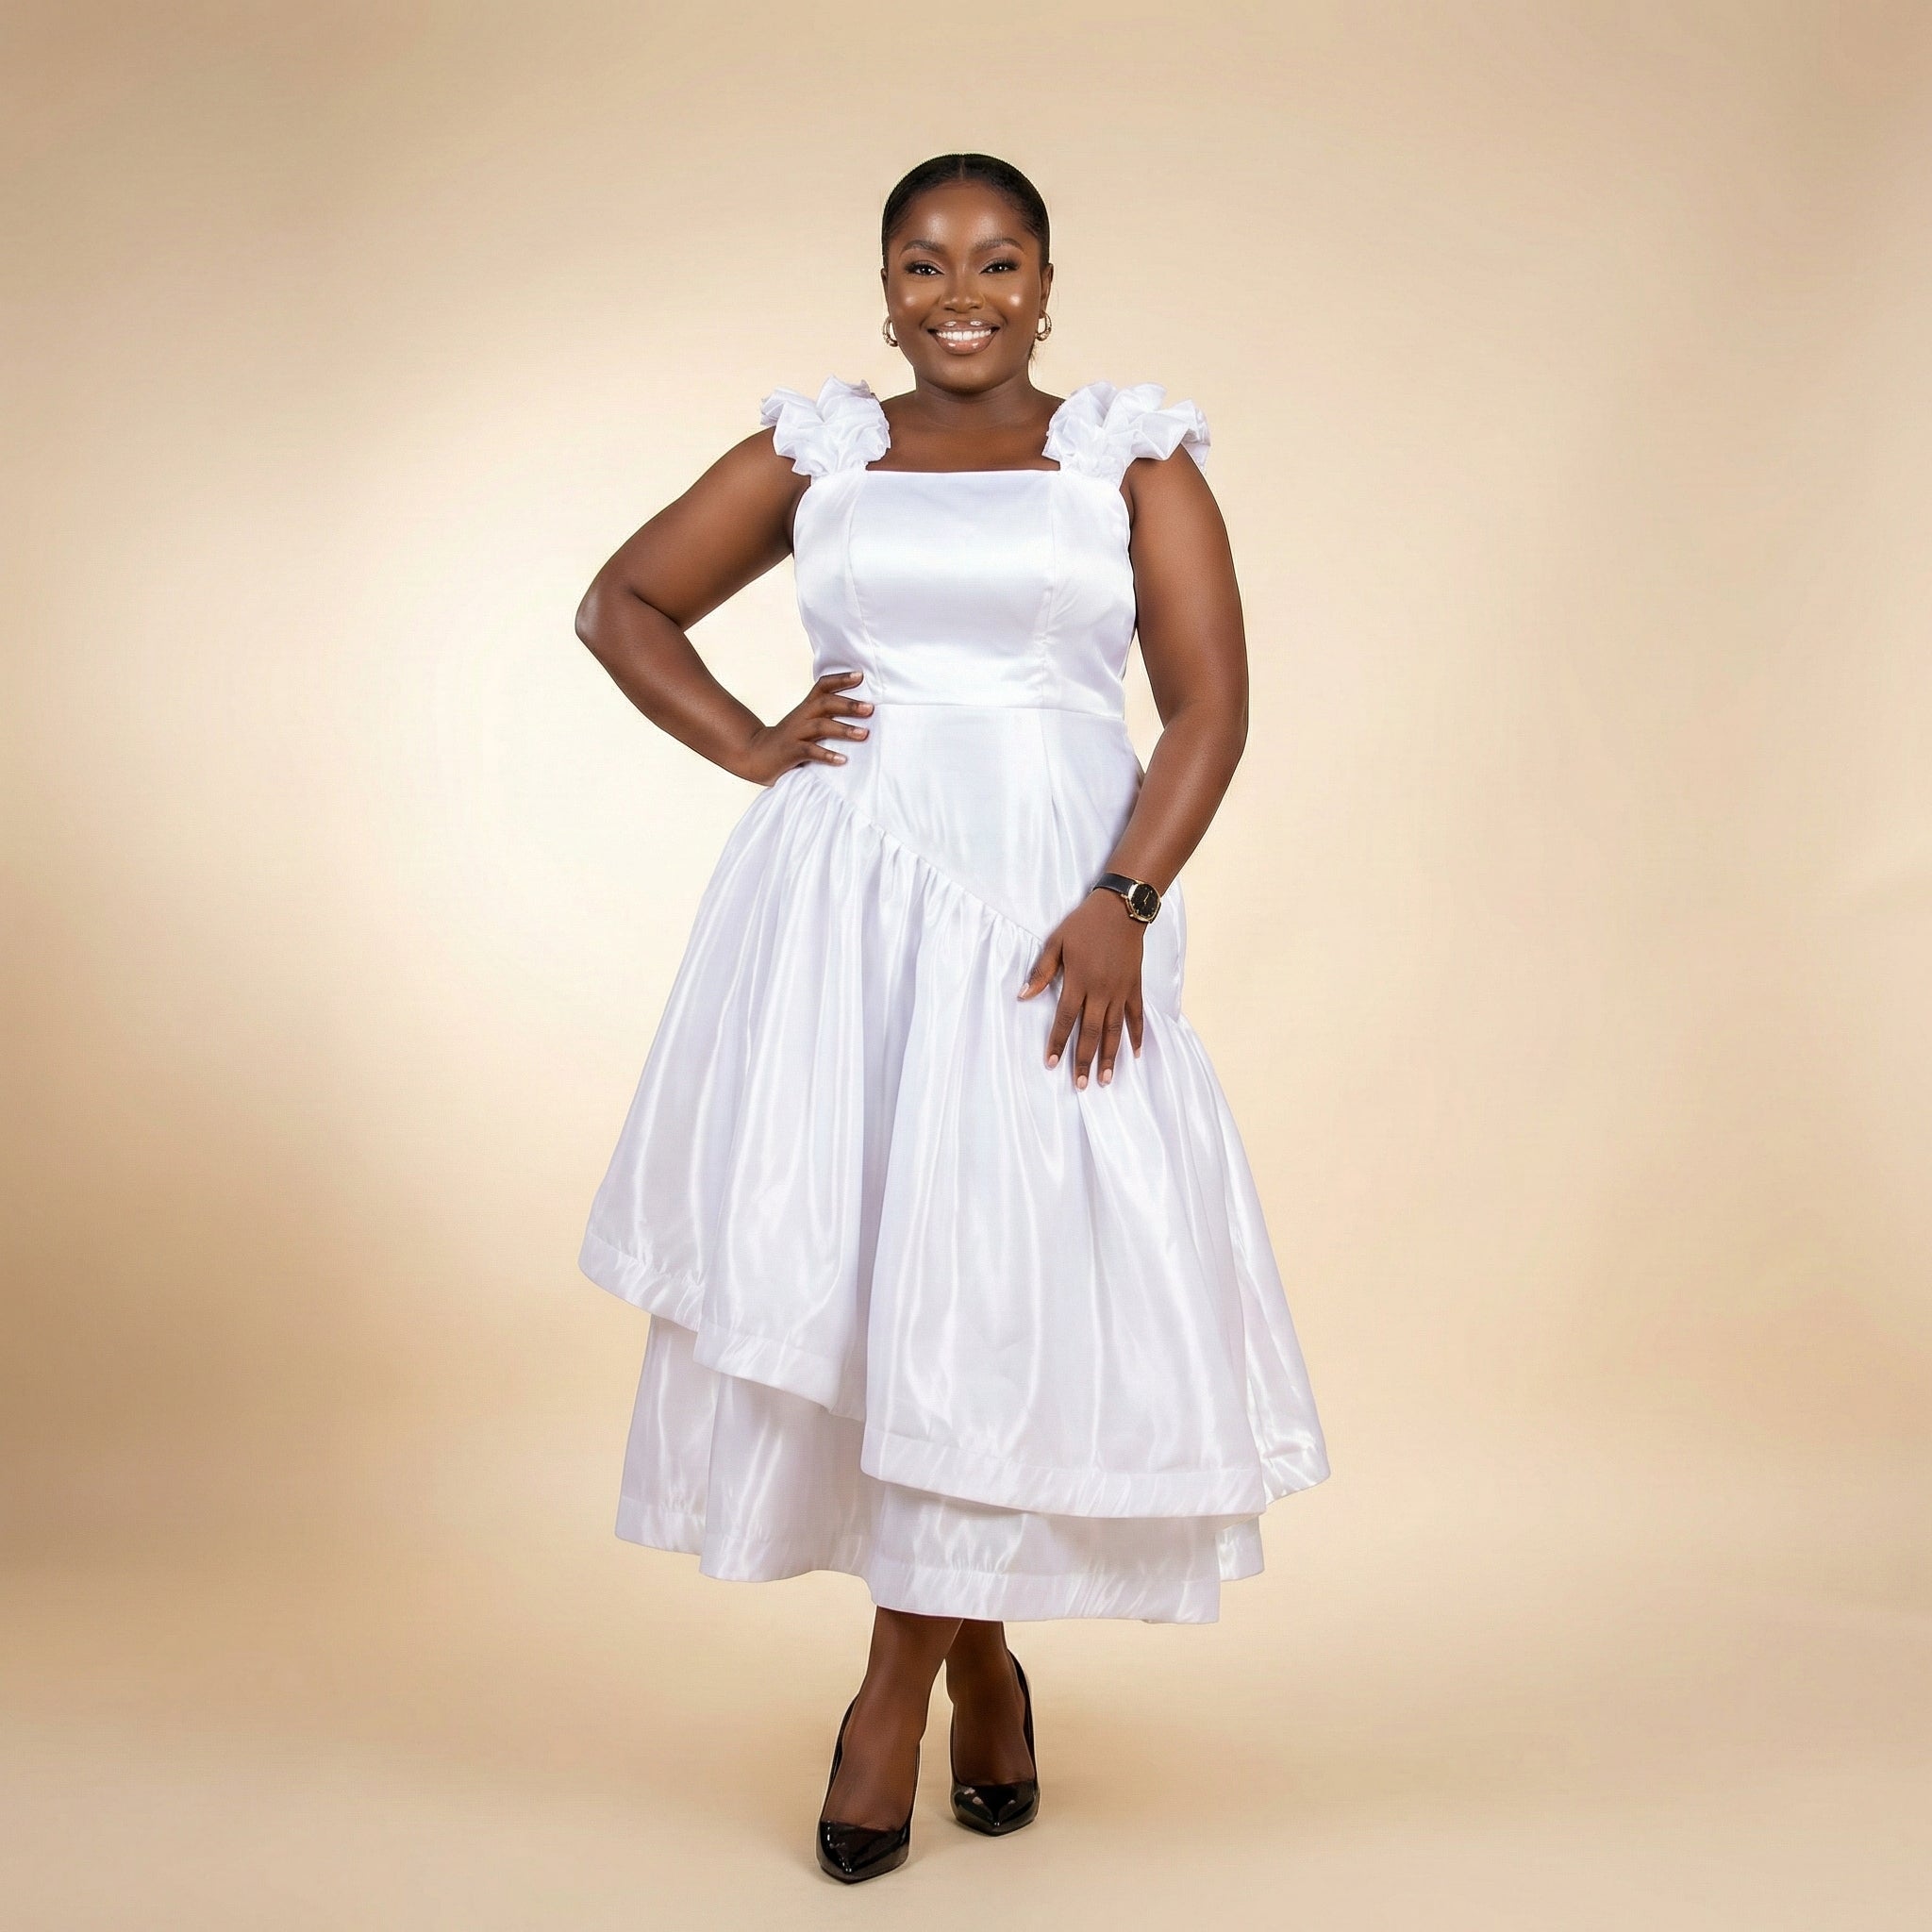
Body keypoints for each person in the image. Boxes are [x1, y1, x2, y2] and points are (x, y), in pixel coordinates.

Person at [572, 151, 1329, 1884]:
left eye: (997, 259)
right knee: (879, 1270)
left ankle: (889, 1694)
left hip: (1053, 903)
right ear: (886, 290)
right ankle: (979, 1660)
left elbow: (1209, 707)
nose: (960, 291)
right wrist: (753, 742)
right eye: (924, 263)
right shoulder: (819, 452)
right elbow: (622, 602)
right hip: (843, 901)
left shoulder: (1128, 457)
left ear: (1050, 282)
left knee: (994, 1275)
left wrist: (1123, 900)